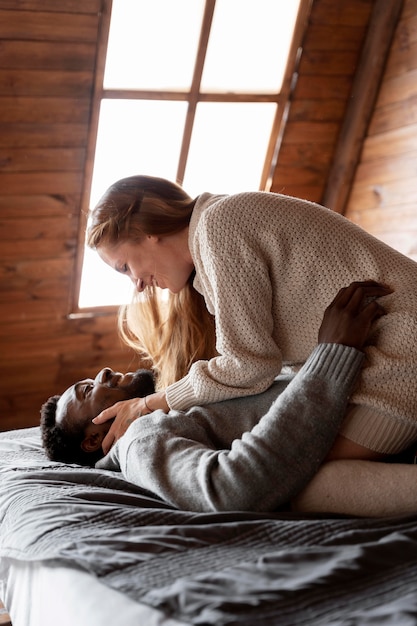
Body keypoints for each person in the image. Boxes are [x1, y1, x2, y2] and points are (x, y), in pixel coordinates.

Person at [86, 175, 417, 462]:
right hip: (379, 365)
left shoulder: (219, 226)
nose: (138, 284)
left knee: (290, 478)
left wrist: (149, 404)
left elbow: (248, 366)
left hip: (402, 360)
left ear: (147, 232)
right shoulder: (210, 248)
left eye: (125, 268)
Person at [41, 281, 397, 513]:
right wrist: (332, 354)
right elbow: (228, 490)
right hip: (375, 413)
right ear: (93, 440)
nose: (102, 373)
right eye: (88, 390)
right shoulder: (139, 441)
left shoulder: (161, 412)